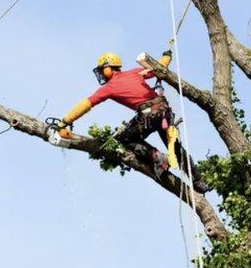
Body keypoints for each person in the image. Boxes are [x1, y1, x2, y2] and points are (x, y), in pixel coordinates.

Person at [57, 51, 210, 194]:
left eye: (102, 70)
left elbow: (87, 103)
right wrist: (167, 56)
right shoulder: (135, 72)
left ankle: (158, 157)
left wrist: (65, 120)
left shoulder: (109, 87)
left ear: (109, 68)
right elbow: (159, 67)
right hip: (164, 112)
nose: (102, 74)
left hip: (149, 115)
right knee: (176, 148)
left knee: (125, 139)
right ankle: (198, 181)